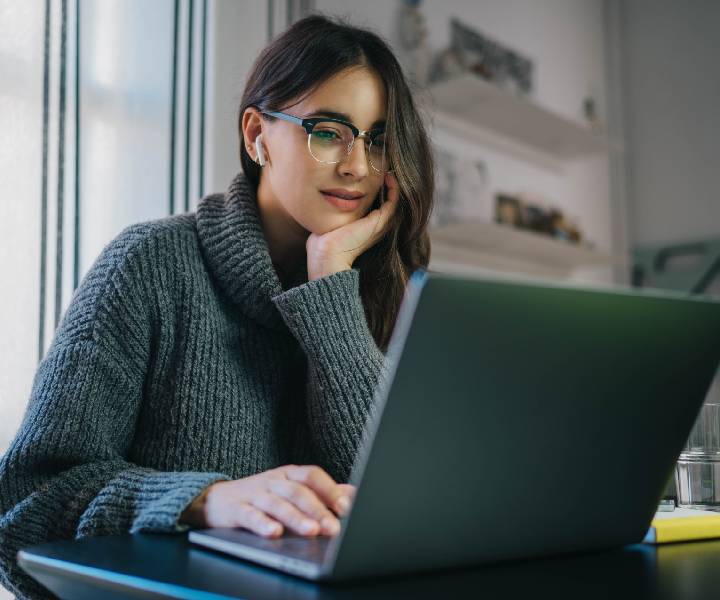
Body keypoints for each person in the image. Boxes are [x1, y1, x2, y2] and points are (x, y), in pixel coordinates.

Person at [0, 14, 434, 599]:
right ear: (257, 135)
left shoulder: (380, 289)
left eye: (378, 139)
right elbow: (24, 508)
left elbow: (399, 510)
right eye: (329, 130)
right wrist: (201, 500)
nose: (358, 165)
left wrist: (329, 286)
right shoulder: (149, 265)